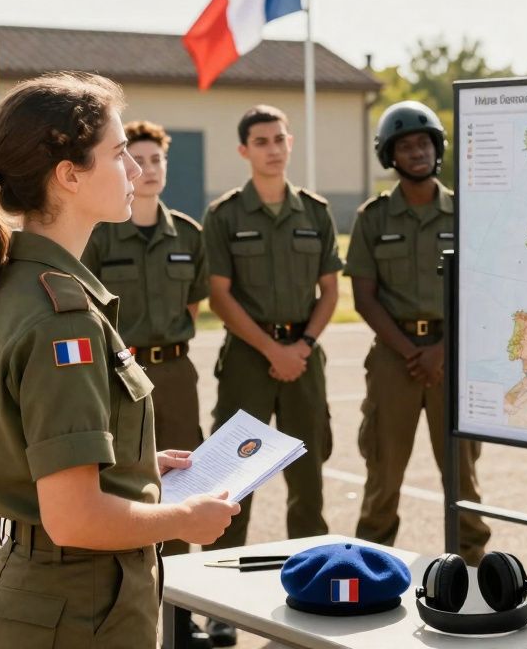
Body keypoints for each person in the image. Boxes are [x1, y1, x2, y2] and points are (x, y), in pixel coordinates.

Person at [0, 72, 238, 647]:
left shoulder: (21, 281)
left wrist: (135, 466)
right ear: (69, 175)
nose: (137, 173)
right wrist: (185, 521)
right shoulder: (61, 316)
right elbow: (75, 517)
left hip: (61, 597)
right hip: (77, 606)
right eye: (119, 155)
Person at [201, 105, 342, 646]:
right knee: (233, 483)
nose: (273, 148)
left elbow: (330, 289)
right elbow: (220, 294)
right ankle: (219, 603)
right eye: (261, 141)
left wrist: (301, 346)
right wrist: (271, 350)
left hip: (303, 357)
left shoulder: (316, 211)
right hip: (248, 359)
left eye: (280, 138)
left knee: (307, 485)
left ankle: (311, 588)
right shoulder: (226, 214)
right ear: (244, 151)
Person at [82, 118, 213, 647]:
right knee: (125, 480)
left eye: (158, 159)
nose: (150, 169)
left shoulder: (189, 233)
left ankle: (178, 612)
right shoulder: (100, 232)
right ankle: (129, 601)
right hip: (117, 375)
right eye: (139, 158)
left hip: (175, 372)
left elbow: (194, 305)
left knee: (179, 479)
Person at [348, 101, 491, 565]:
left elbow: (478, 290)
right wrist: (413, 351)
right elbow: (365, 297)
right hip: (395, 357)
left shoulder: (466, 211)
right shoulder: (373, 218)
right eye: (406, 146)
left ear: (438, 148)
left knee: (461, 473)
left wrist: (441, 352)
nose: (417, 152)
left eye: (425, 143)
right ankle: (371, 562)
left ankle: (470, 565)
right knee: (384, 471)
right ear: (390, 156)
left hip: (453, 353)